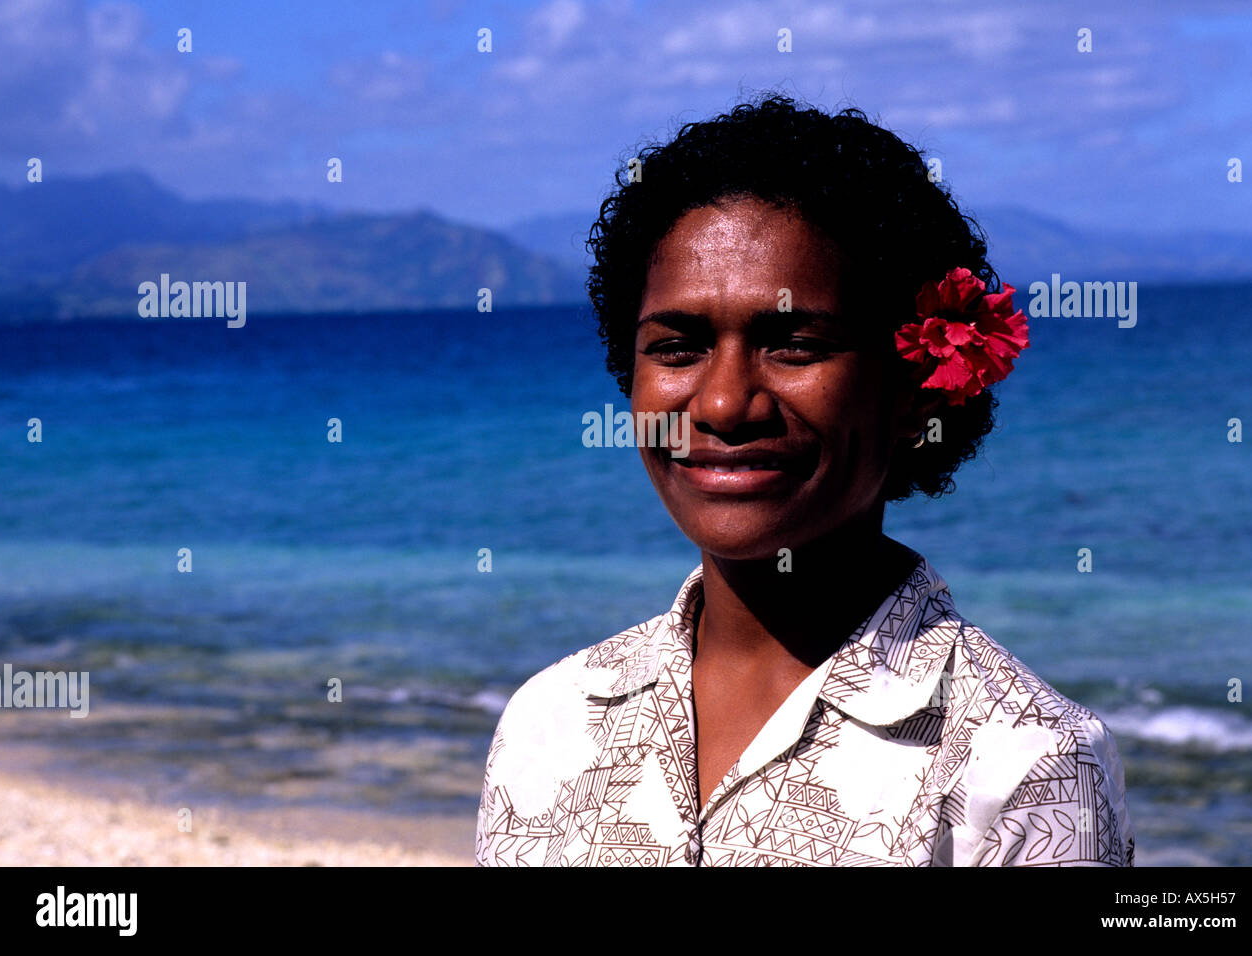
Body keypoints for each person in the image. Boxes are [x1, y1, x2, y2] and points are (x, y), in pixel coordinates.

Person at [474, 94, 1135, 867]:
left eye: (794, 344)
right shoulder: (550, 721)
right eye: (678, 347)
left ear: (914, 386)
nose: (723, 403)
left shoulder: (1024, 763)